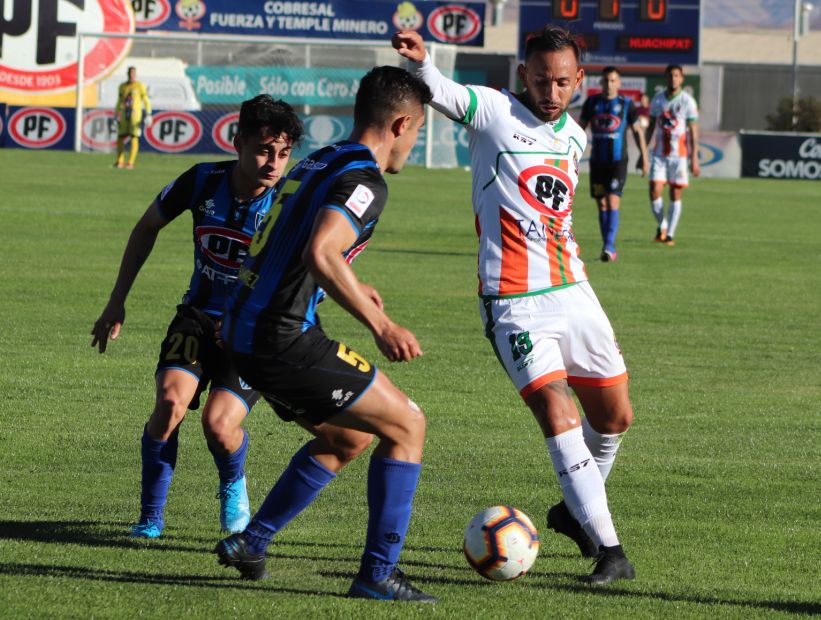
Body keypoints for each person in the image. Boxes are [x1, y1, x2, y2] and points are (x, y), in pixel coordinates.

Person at [393, 26, 636, 585]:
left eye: (562, 81)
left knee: (616, 417)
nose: (551, 91)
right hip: (513, 301)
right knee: (558, 410)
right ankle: (610, 550)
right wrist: (422, 62)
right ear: (523, 75)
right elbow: (442, 90)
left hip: (574, 291)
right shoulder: (494, 110)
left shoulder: (575, 138)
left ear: (579, 80)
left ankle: (574, 512)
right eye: (541, 79)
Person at [213, 66, 437, 603]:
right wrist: (380, 325)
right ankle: (378, 575)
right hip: (280, 336)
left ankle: (253, 540)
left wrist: (356, 285)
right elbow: (321, 251)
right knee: (407, 425)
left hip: (243, 326)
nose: (415, 142)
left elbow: (294, 243)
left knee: (349, 436)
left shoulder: (323, 158)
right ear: (401, 123)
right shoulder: (366, 179)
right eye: (419, 131)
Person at [91, 95, 304, 539]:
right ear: (238, 141)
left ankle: (232, 482)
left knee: (219, 426)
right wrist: (117, 301)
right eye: (265, 150)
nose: (273, 164)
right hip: (196, 317)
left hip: (252, 330)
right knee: (169, 405)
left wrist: (263, 324)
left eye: (283, 154)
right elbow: (146, 226)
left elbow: (304, 274)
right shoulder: (203, 179)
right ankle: (150, 518)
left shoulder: (289, 203)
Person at [579, 66, 649, 262]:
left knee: (612, 200)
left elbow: (637, 132)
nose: (609, 84)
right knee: (601, 203)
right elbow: (579, 129)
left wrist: (644, 157)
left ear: (618, 83)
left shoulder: (626, 104)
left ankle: (609, 246)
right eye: (605, 81)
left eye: (612, 80)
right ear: (601, 83)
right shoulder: (592, 103)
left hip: (618, 161)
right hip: (597, 162)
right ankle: (607, 246)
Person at [646, 64, 700, 246]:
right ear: (666, 78)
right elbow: (651, 128)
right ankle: (663, 225)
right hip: (660, 155)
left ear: (682, 78)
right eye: (670, 75)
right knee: (654, 191)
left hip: (679, 156)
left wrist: (694, 158)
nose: (673, 79)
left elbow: (693, 131)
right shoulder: (658, 100)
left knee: (675, 194)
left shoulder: (688, 101)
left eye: (676, 76)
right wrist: (643, 153)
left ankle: (669, 234)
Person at [114, 66, 152, 169]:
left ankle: (130, 162)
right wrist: (116, 114)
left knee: (134, 137)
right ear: (127, 74)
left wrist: (148, 113)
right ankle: (120, 161)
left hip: (135, 117)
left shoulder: (140, 86)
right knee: (120, 137)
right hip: (124, 116)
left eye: (133, 73)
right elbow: (119, 101)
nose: (131, 75)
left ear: (135, 74)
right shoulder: (122, 86)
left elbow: (146, 100)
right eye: (130, 73)